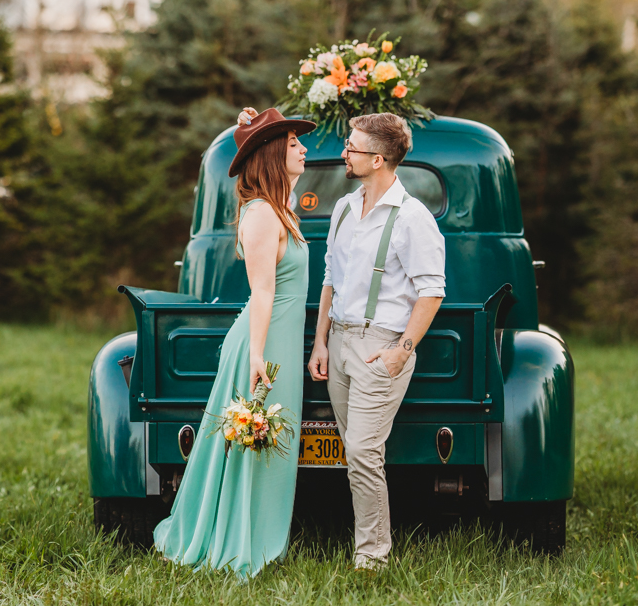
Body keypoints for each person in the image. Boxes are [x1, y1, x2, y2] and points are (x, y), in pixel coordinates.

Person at [153, 108, 314, 579]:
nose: (303, 149)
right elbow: (261, 290)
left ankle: (260, 534)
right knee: (252, 444)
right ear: (272, 154)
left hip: (279, 341)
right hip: (262, 345)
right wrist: (258, 355)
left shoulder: (280, 208)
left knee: (271, 445)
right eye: (293, 143)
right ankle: (239, 540)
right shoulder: (261, 214)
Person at [308, 113, 446, 570]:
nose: (344, 152)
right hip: (339, 344)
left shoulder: (412, 217)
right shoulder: (345, 208)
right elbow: (330, 277)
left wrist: (401, 351)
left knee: (363, 452)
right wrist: (321, 342)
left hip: (380, 347)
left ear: (378, 159)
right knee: (355, 452)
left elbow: (432, 290)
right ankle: (366, 544)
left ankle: (372, 557)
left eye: (352, 147)